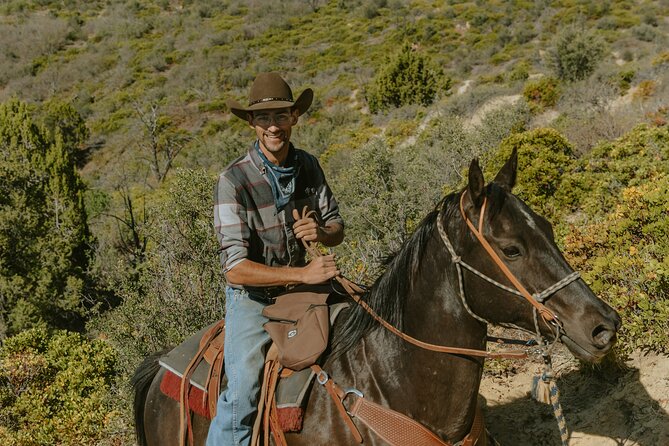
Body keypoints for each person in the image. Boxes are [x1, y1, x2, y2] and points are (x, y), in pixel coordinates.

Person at [207, 72, 345, 446]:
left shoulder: (309, 165)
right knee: (241, 398)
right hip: (253, 300)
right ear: (252, 123)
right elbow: (235, 270)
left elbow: (336, 226)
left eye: (282, 116)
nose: (274, 126)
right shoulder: (233, 180)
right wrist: (301, 275)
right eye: (265, 118)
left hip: (306, 286)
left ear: (295, 118)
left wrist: (321, 233)